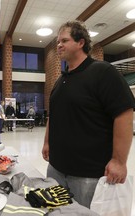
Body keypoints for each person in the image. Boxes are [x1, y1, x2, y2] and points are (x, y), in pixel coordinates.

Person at [42, 20, 135, 208]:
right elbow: (55, 115)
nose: (59, 45)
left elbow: (124, 114)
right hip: (56, 169)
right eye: (57, 41)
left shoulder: (103, 72)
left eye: (64, 41)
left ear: (81, 42)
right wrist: (47, 141)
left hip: (87, 175)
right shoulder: (61, 80)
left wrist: (119, 161)